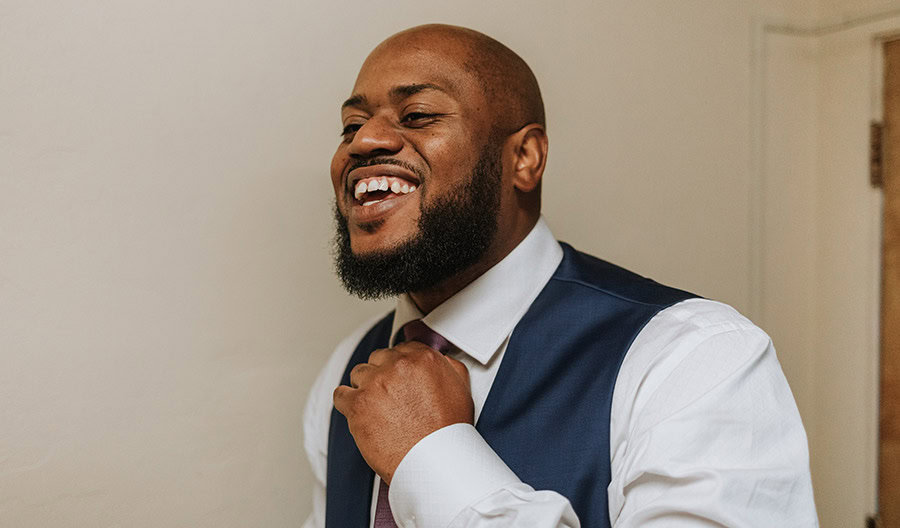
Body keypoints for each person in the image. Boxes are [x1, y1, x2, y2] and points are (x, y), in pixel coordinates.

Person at [303, 24, 818, 527]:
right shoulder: (345, 370)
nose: (363, 140)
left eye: (417, 115)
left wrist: (432, 457)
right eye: (351, 126)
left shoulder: (692, 359)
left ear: (524, 158)